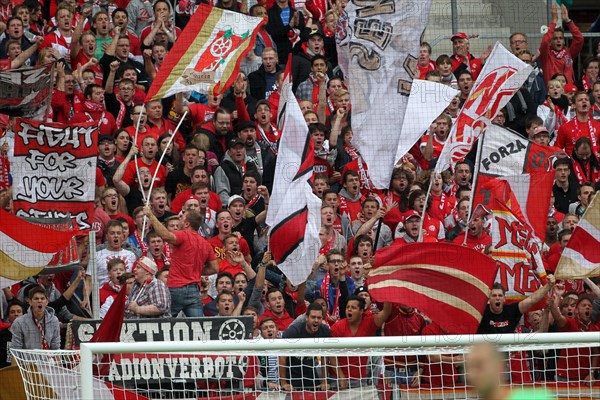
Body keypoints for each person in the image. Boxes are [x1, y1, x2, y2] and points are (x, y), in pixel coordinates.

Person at [145, 207, 218, 317]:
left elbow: (165, 236)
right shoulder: (205, 243)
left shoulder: (183, 234)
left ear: (187, 224)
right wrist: (197, 271)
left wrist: (151, 215)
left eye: (181, 218)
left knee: (164, 323)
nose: (179, 220)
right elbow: (214, 268)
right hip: (194, 289)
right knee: (198, 326)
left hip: (176, 287)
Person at [331, 296, 392, 388]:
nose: (349, 310)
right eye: (347, 307)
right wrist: (341, 377)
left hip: (359, 379)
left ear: (361, 311)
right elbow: (331, 355)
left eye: (353, 308)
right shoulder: (337, 327)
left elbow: (386, 312)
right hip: (337, 379)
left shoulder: (369, 323)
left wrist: (387, 291)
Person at [466, 342, 553, 400]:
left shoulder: (538, 397)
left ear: (499, 366)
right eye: (469, 367)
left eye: (479, 365)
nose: (472, 374)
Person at [280, 303, 331, 391]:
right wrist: (284, 383)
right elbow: (282, 356)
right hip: (292, 375)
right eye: (313, 317)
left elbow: (325, 357)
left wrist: (324, 381)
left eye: (319, 318)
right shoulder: (294, 331)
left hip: (310, 374)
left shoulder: (325, 331)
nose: (316, 320)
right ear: (307, 317)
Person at [477, 276, 555, 334]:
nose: (497, 298)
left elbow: (531, 299)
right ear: (489, 299)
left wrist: (548, 285)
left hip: (506, 354)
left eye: (500, 295)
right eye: (494, 295)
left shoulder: (511, 310)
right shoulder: (480, 312)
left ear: (504, 299)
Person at [538, 3, 583, 84]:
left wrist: (568, 21)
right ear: (550, 41)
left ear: (564, 41)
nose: (558, 40)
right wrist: (554, 21)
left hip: (568, 92)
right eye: (555, 38)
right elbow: (544, 42)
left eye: (561, 38)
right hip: (552, 91)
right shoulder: (546, 55)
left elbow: (579, 39)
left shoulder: (569, 53)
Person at [10, 287, 60, 356]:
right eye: (36, 298)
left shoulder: (54, 320)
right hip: (27, 364)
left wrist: (58, 366)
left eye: (42, 298)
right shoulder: (19, 322)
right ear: (30, 302)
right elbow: (16, 351)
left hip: (48, 363)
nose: (40, 301)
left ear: (47, 301)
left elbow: (56, 349)